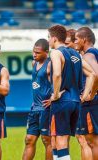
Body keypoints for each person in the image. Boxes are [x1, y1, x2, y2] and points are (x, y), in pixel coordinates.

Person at [48, 25, 95, 160]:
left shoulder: (56, 53)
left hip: (62, 101)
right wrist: (85, 96)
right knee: (60, 140)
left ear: (54, 38)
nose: (48, 41)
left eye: (49, 38)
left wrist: (56, 94)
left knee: (60, 140)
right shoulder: (76, 54)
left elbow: (57, 74)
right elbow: (91, 74)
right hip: (75, 102)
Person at [22, 39, 52, 160]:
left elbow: (60, 82)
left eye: (38, 53)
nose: (34, 55)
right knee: (29, 139)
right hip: (34, 108)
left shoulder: (50, 65)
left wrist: (53, 97)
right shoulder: (34, 63)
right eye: (33, 52)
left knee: (47, 140)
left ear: (46, 52)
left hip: (46, 109)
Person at [66, 28, 93, 160]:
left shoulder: (81, 57)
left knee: (84, 140)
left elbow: (94, 75)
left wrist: (89, 93)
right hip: (80, 101)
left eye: (68, 42)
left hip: (82, 102)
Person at [75, 26, 98, 160]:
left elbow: (96, 75)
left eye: (77, 39)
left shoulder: (88, 55)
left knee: (91, 141)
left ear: (84, 39)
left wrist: (91, 93)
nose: (75, 42)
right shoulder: (94, 53)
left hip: (91, 103)